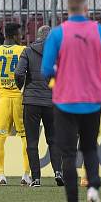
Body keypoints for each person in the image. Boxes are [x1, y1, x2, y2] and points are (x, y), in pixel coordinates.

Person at [41, 0, 101, 202]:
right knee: (90, 148)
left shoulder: (57, 34)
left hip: (65, 101)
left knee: (67, 154)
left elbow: (46, 70)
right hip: (92, 100)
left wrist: (60, 76)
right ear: (87, 8)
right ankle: (93, 189)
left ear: (68, 9)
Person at [14, 25, 63, 188]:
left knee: (32, 141)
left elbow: (19, 73)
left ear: (38, 35)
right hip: (52, 102)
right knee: (54, 140)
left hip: (32, 102)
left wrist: (22, 87)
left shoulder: (28, 51)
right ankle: (58, 172)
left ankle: (36, 179)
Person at [0, 23, 30, 186]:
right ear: (14, 35)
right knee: (26, 136)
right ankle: (26, 175)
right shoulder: (24, 50)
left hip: (2, 100)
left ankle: (1, 175)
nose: (22, 37)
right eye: (20, 34)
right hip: (20, 98)